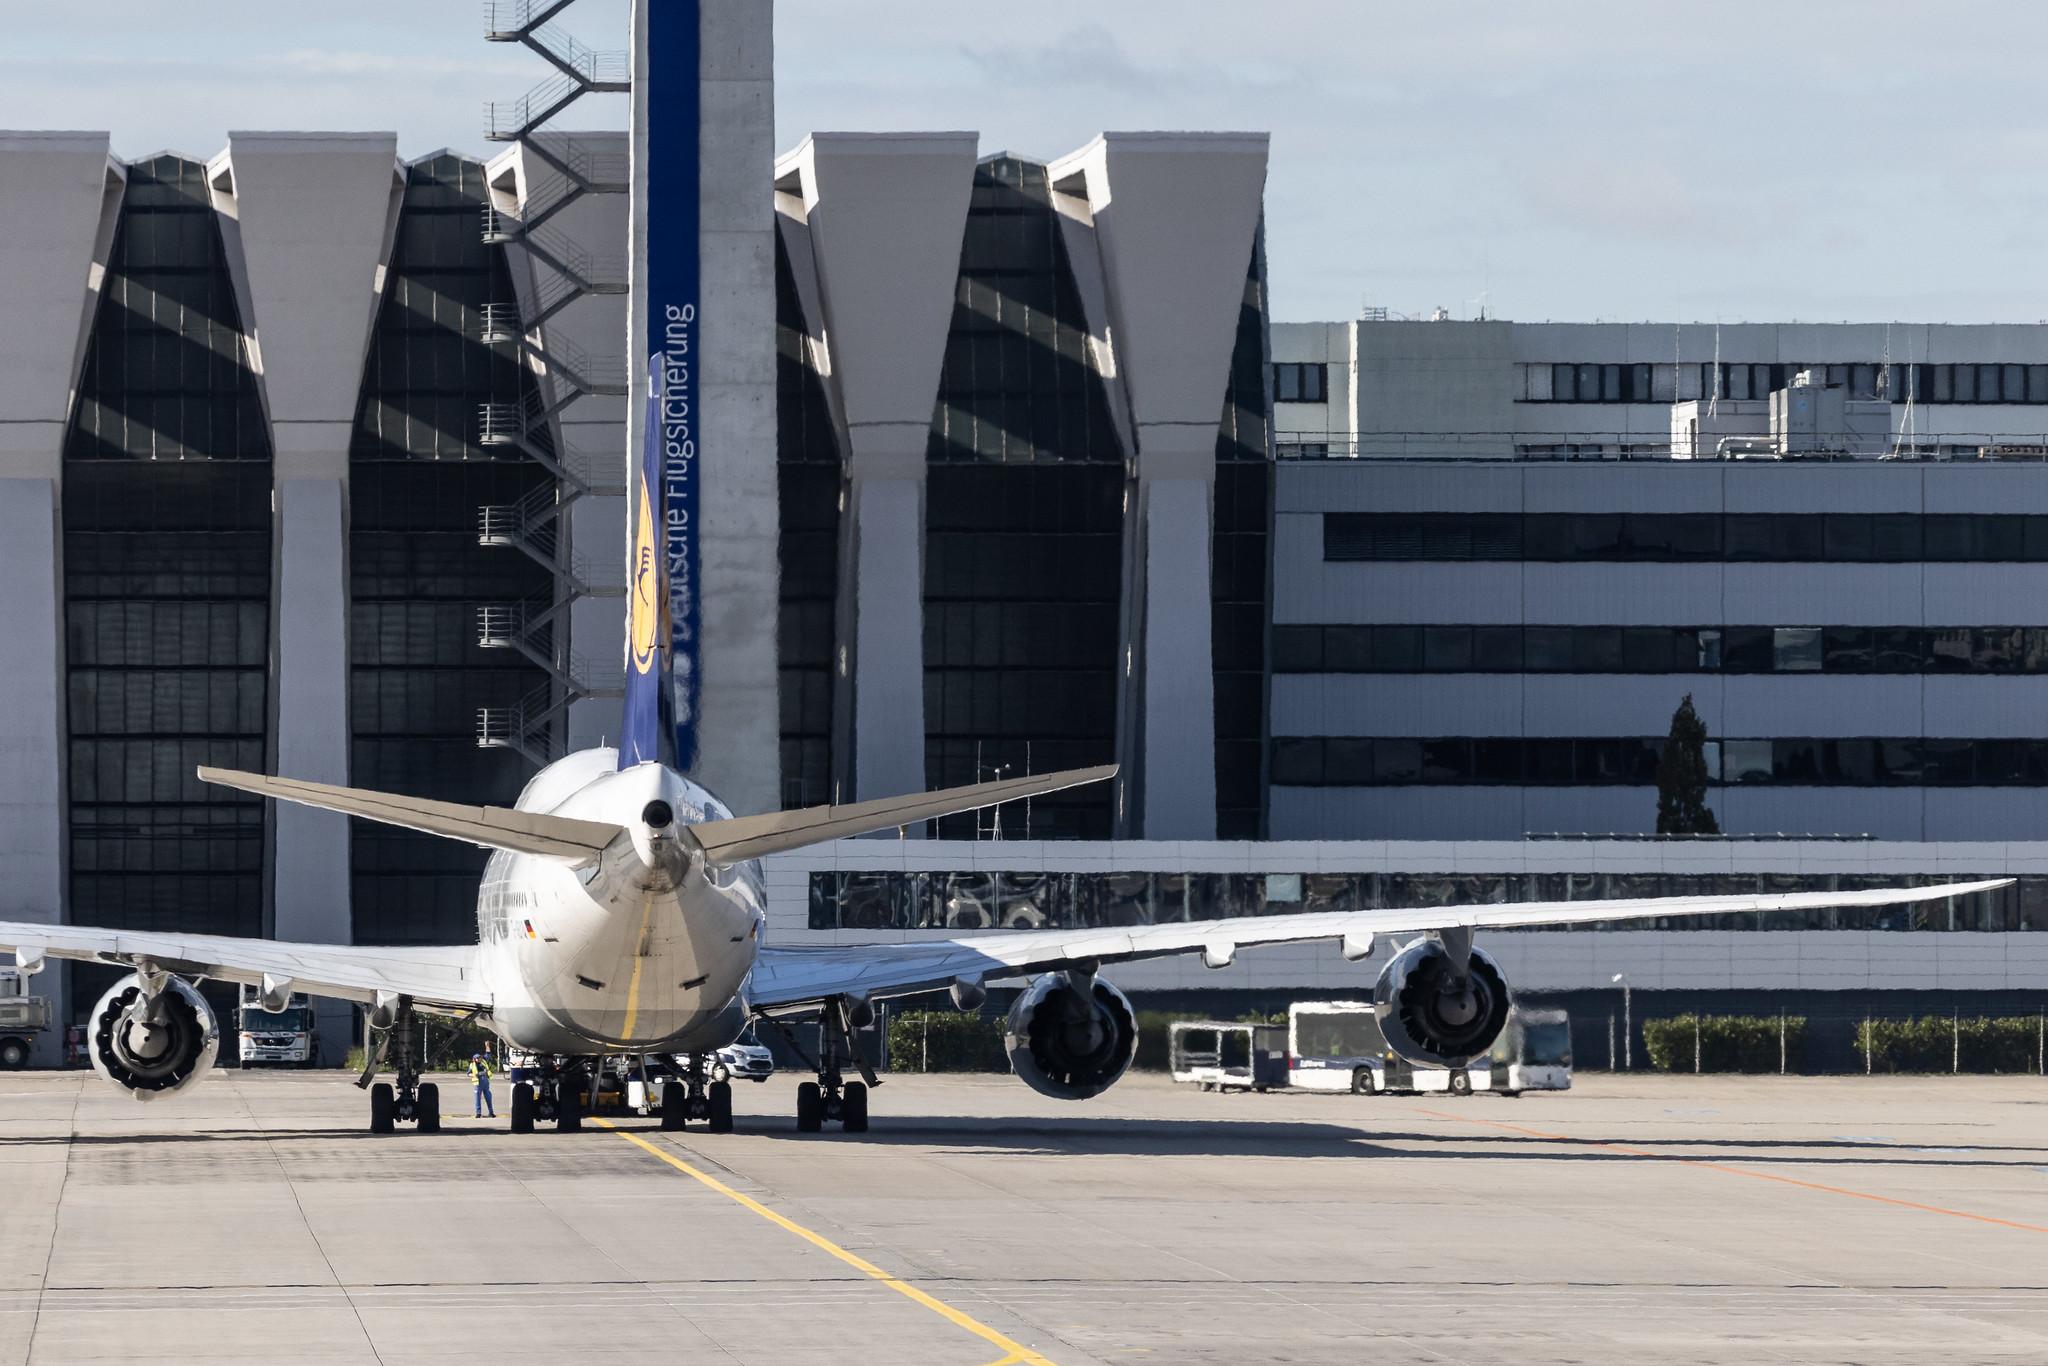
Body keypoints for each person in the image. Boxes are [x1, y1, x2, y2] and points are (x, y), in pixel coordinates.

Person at [470, 1051, 495, 1118]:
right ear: (474, 1059)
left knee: (488, 1097)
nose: (479, 1059)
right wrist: (474, 1074)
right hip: (478, 1083)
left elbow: (488, 1054)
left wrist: (487, 1046)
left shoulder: (483, 1062)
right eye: (477, 1058)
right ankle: (478, 1113)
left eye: (480, 1058)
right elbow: (468, 1074)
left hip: (485, 1082)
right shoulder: (472, 1065)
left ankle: (491, 1112)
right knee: (477, 1099)